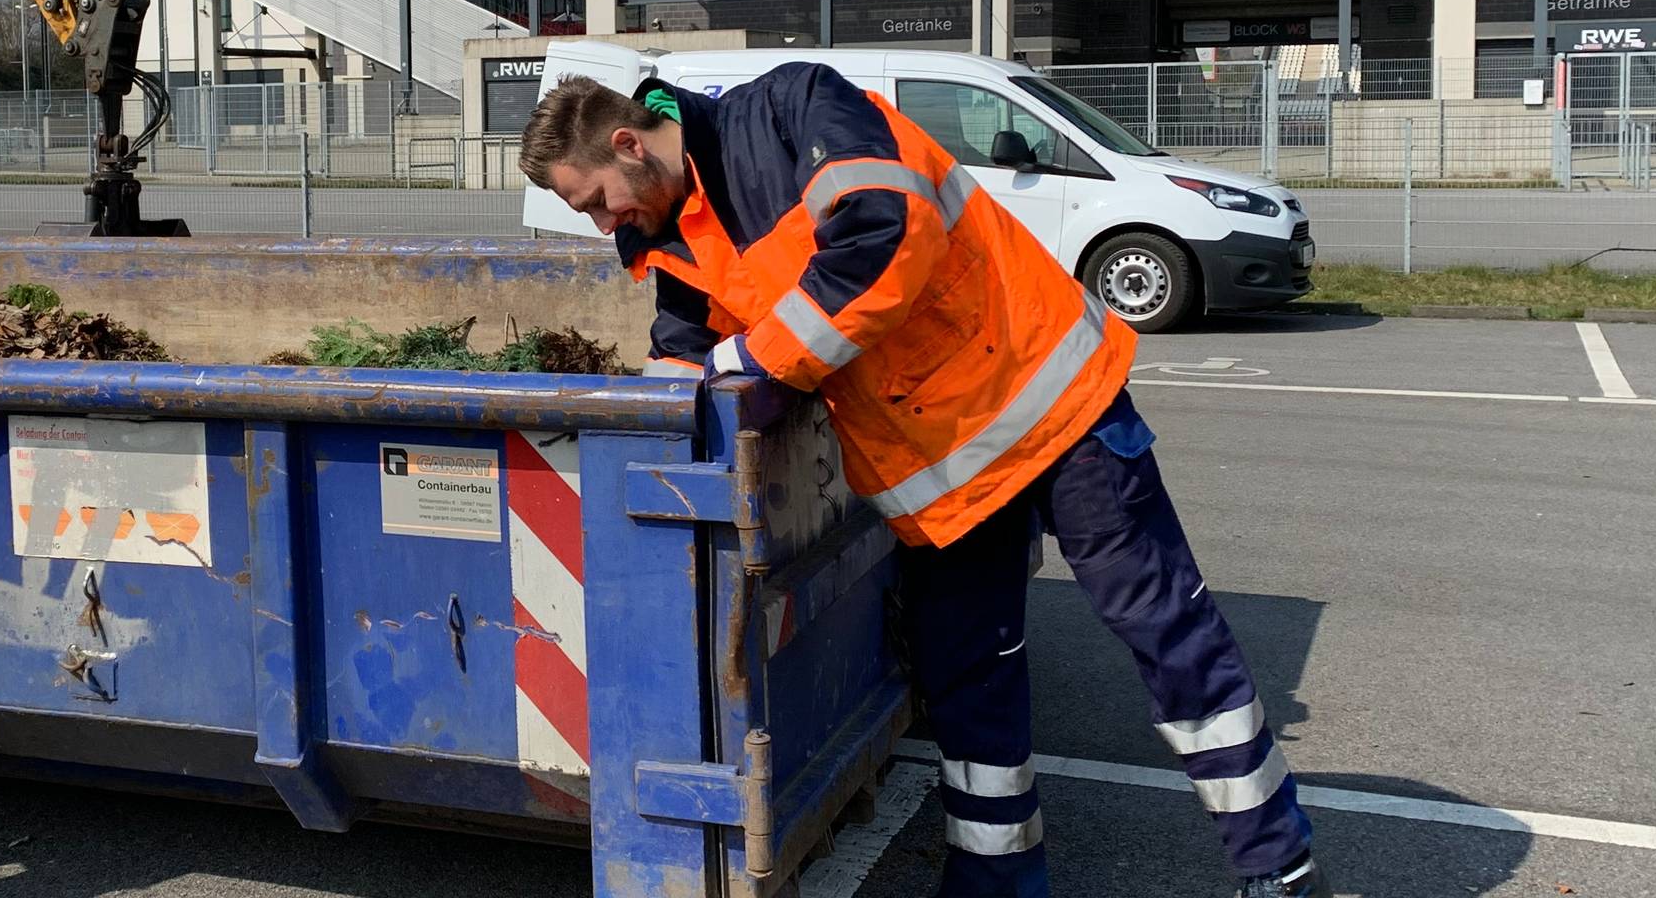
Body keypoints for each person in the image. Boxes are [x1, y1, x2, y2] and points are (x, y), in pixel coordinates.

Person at [520, 66, 1318, 898]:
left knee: (1168, 634)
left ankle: (1279, 864)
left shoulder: (793, 111)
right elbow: (682, 355)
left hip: (1053, 406)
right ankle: (997, 883)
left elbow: (885, 234)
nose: (606, 225)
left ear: (627, 144)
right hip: (942, 474)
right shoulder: (671, 238)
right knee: (969, 682)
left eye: (597, 201)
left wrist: (746, 361)